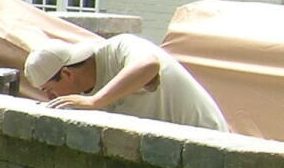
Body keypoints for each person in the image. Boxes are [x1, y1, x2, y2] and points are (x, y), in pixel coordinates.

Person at [22, 34, 229, 131]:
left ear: (67, 74)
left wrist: (96, 101)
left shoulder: (119, 48)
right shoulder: (80, 95)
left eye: (49, 90)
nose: (51, 98)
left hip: (208, 138)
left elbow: (148, 65)